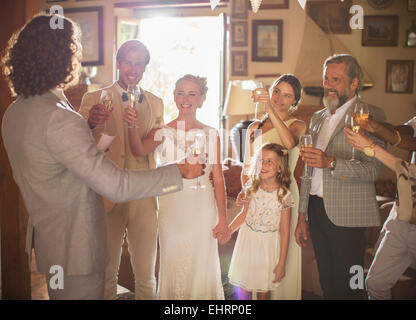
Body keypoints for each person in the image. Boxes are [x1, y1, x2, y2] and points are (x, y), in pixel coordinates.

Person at [1, 14, 203, 300]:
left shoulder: (15, 112)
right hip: (78, 247)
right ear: (63, 57)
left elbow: (58, 157)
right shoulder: (59, 116)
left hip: (51, 242)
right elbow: (115, 185)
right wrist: (178, 173)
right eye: (73, 48)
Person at [126, 74, 230, 299]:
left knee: (201, 263)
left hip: (202, 207)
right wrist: (132, 126)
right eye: (181, 93)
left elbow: (219, 179)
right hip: (171, 206)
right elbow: (138, 151)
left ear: (202, 99)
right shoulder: (162, 131)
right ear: (174, 96)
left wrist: (223, 219)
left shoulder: (211, 133)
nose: (186, 98)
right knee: (174, 261)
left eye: (192, 94)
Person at [295, 54, 387, 299]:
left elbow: (372, 170)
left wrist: (331, 162)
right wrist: (302, 215)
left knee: (351, 286)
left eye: (336, 79)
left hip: (349, 216)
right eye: (326, 79)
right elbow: (307, 171)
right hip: (316, 209)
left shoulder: (372, 117)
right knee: (327, 281)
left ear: (354, 83)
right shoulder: (318, 117)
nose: (328, 85)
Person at [78, 40, 164, 300]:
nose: (133, 68)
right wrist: (93, 123)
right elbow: (81, 149)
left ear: (145, 68)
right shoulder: (93, 99)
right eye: (128, 61)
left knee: (147, 276)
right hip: (106, 197)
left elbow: (153, 146)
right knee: (107, 274)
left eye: (139, 63)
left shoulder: (156, 103)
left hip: (145, 198)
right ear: (118, 64)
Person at [238, 74, 305, 299]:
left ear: (294, 102)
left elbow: (289, 143)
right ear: (271, 90)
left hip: (283, 198)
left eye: (287, 96)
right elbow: (247, 167)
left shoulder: (297, 126)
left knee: (280, 259)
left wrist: (270, 109)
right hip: (257, 196)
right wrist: (246, 191)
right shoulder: (254, 127)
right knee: (255, 266)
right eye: (277, 91)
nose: (280, 98)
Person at [345, 116, 416, 300]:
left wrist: (369, 146)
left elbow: (407, 170)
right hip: (401, 219)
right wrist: (374, 126)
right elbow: (405, 133)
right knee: (375, 284)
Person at [228, 143, 294, 300]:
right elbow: (244, 215)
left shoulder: (284, 195)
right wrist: (228, 230)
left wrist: (282, 263)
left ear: (280, 168)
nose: (263, 165)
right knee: (243, 290)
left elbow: (285, 231)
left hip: (267, 248)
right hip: (247, 242)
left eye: (269, 161)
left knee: (264, 292)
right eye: (260, 160)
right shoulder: (251, 187)